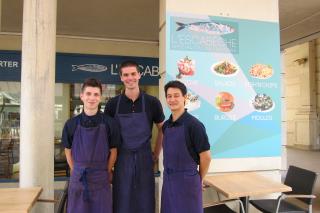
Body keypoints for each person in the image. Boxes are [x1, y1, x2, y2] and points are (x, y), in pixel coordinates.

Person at [104, 60, 165, 213]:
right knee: (121, 202)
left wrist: (156, 155)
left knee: (145, 203)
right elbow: (107, 137)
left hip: (145, 159)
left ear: (139, 75)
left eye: (133, 74)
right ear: (121, 78)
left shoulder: (152, 102)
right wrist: (108, 166)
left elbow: (163, 130)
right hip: (121, 160)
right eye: (126, 75)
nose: (130, 78)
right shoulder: (112, 104)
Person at [62, 78, 120, 213]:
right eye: (88, 94)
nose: (92, 98)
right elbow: (67, 151)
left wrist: (105, 171)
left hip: (101, 179)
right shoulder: (71, 124)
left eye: (96, 94)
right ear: (81, 96)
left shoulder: (110, 123)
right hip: (79, 179)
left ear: (100, 97)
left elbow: (114, 152)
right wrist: (76, 169)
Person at [161, 80, 211, 213]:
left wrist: (199, 178)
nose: (172, 99)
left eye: (176, 95)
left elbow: (206, 157)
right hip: (169, 181)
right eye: (169, 96)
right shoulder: (166, 126)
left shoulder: (195, 125)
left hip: (188, 182)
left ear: (185, 97)